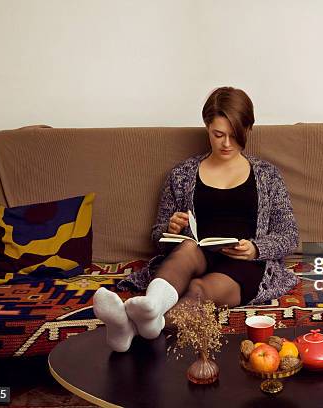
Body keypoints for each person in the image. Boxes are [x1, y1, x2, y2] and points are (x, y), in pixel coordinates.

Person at [92, 87, 299, 352]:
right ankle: (151, 309)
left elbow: (289, 234)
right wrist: (170, 228)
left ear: (248, 128)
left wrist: (255, 249)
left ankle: (130, 326)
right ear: (206, 127)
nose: (226, 144)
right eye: (218, 135)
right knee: (188, 247)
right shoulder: (182, 174)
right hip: (196, 253)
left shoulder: (267, 176)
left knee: (199, 289)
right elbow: (157, 236)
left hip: (244, 264)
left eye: (235, 136)